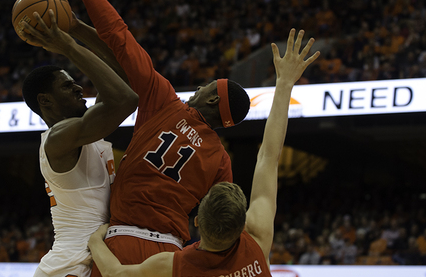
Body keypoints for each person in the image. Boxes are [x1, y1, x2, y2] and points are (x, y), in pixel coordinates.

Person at [20, 0, 251, 272]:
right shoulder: (221, 160)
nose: (198, 89)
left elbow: (120, 39)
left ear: (212, 101)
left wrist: (78, 3)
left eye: (207, 87)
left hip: (116, 242)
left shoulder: (166, 102)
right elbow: (222, 218)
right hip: (166, 253)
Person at [87, 28, 320, 277]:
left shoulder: (184, 263)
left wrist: (95, 241)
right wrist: (285, 84)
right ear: (239, 225)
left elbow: (116, 274)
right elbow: (269, 159)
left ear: (196, 224)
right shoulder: (254, 243)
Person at [19, 8, 138, 277]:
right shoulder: (58, 139)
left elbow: (125, 73)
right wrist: (69, 48)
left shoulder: (83, 133)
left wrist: (76, 28)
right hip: (69, 264)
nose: (79, 88)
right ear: (45, 100)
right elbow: (126, 99)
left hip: (95, 256)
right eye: (67, 85)